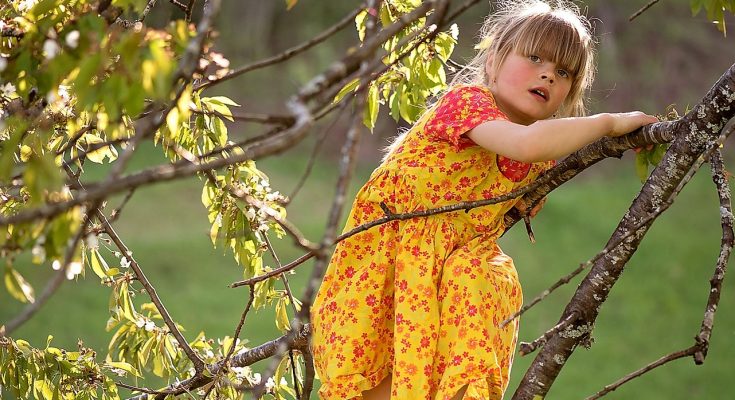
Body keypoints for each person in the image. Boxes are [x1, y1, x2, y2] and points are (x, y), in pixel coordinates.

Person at [309, 1, 658, 399]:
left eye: (563, 72)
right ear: (493, 61)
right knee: (377, 376)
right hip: (391, 260)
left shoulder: (539, 159)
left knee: (474, 284)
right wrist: (607, 124)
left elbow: (529, 159)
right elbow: (523, 144)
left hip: (452, 277)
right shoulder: (467, 103)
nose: (548, 73)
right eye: (534, 57)